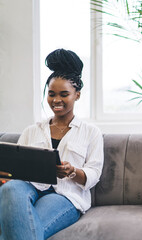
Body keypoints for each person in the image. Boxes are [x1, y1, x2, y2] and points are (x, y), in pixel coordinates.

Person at [0, 49, 104, 240]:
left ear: (77, 95)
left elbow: (94, 174)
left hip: (65, 196)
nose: (56, 100)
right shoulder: (32, 130)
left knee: (18, 226)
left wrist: (73, 171)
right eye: (51, 94)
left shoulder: (91, 132)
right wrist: (6, 175)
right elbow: (16, 169)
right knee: (9, 188)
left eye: (64, 94)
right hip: (30, 188)